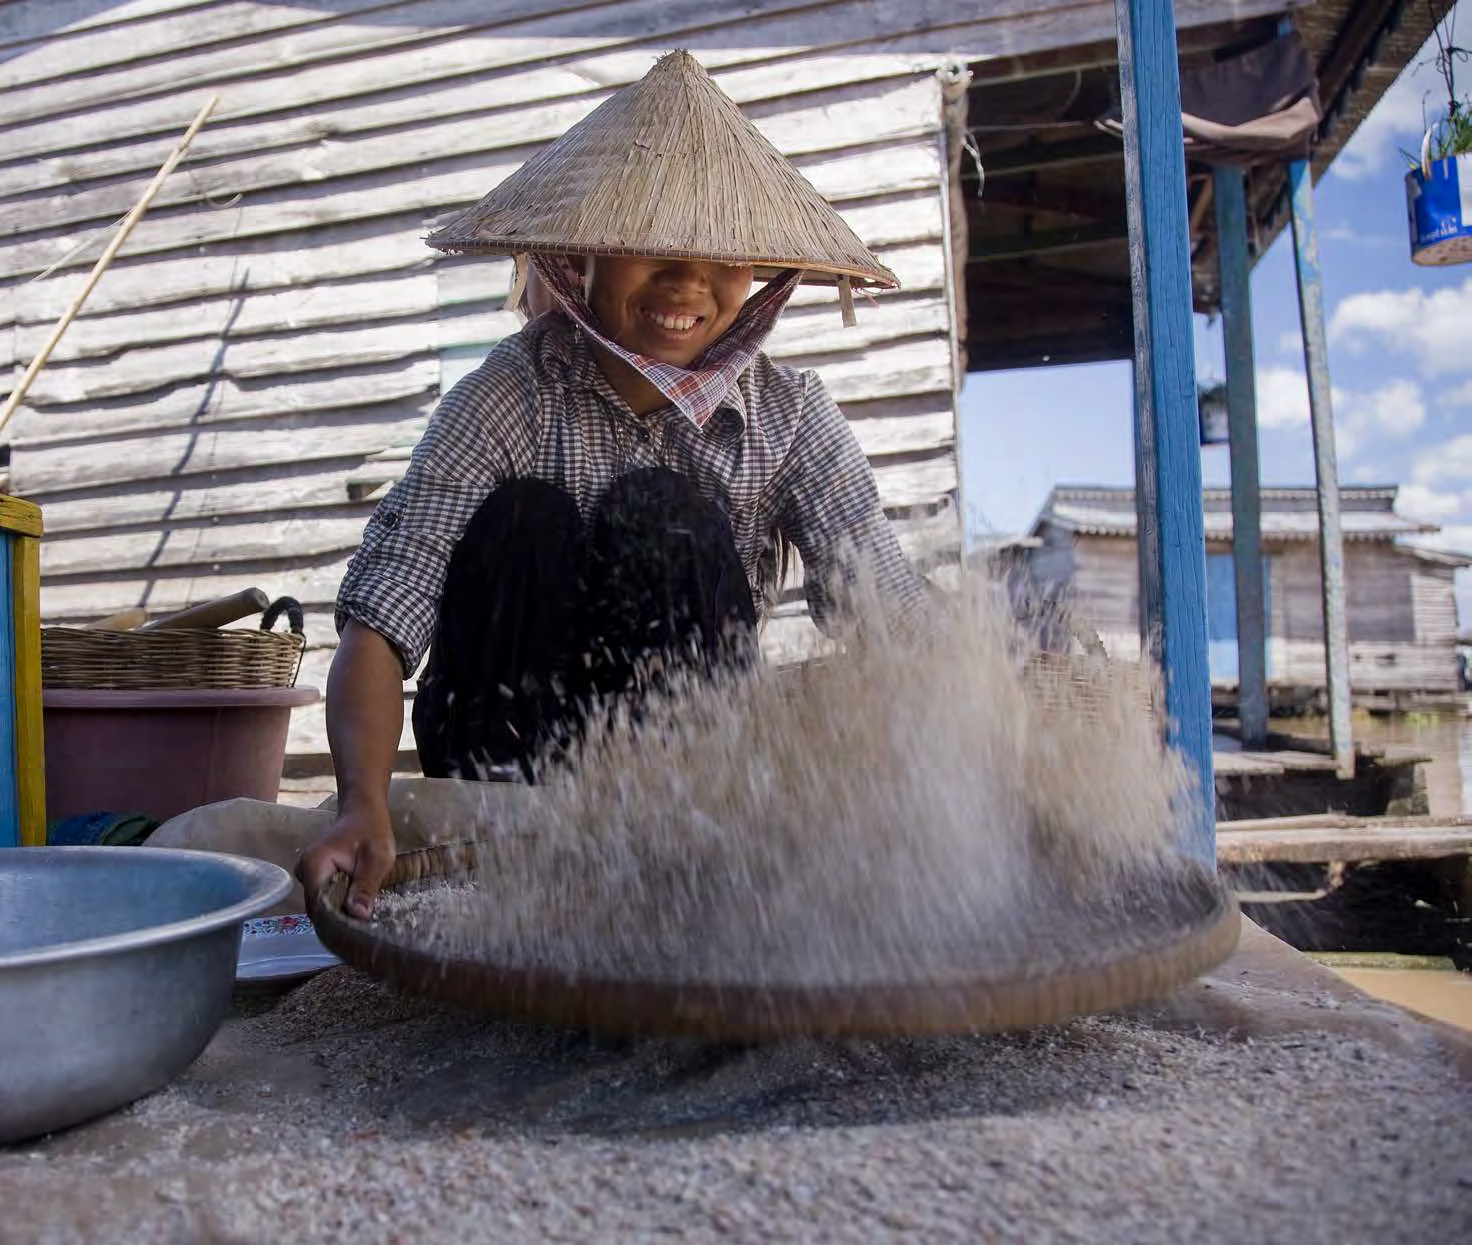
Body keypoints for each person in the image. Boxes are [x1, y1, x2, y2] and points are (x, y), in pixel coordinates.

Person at [296, 51, 933, 916]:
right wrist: (362, 802)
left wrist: (979, 718)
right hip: (500, 777)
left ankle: (675, 865)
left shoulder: (789, 416)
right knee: (528, 515)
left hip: (684, 794)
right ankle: (510, 862)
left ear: (758, 275)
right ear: (581, 256)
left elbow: (885, 609)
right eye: (648, 247)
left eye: (720, 254)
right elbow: (385, 611)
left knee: (662, 514)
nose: (686, 281)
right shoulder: (506, 396)